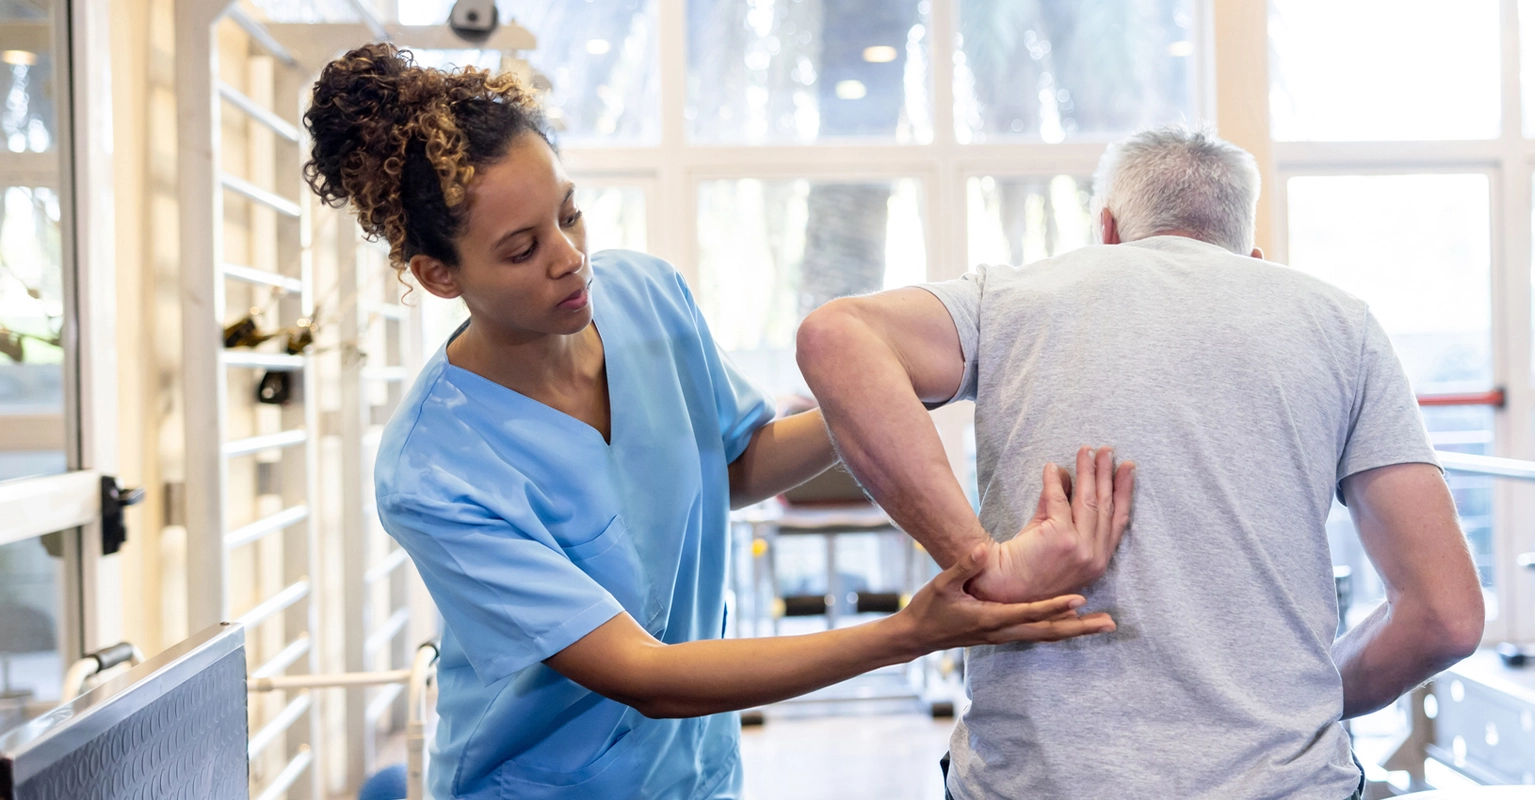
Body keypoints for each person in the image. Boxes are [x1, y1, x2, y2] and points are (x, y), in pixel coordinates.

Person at [303, 44, 1131, 800]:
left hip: (698, 776)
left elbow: (730, 469)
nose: (569, 257)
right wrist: (909, 633)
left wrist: (896, 388)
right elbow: (645, 674)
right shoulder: (435, 469)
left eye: (571, 213)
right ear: (438, 275)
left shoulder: (646, 297)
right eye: (521, 249)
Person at [797, 125, 1487, 799]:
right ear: (1249, 254)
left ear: (1106, 227)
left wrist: (980, 559)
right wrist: (1293, 703)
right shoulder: (1341, 324)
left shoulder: (1009, 300)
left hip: (1037, 783)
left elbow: (835, 337)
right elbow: (1446, 616)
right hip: (1286, 781)